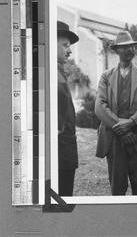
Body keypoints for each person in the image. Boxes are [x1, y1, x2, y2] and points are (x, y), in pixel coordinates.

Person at [95, 31, 137, 196]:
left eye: (132, 46)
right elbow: (100, 106)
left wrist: (130, 123)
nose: (130, 49)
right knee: (117, 188)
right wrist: (122, 130)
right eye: (124, 47)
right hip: (115, 140)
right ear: (117, 51)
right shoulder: (106, 77)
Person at [57, 20, 79, 196]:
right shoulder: (55, 77)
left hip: (63, 152)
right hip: (61, 155)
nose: (70, 50)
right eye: (65, 45)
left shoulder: (57, 74)